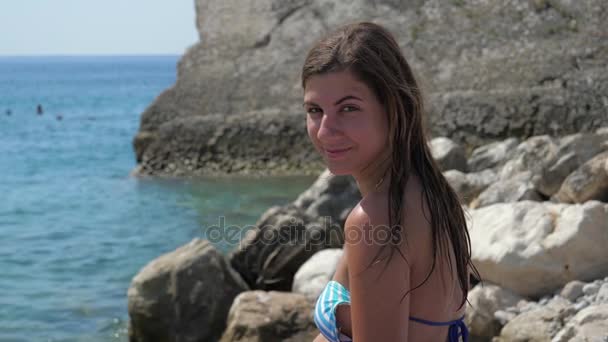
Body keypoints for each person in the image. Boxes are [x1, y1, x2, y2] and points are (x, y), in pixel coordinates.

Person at [301, 22, 479, 341]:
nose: (326, 130)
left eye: (349, 108)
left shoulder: (379, 218)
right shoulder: (430, 192)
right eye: (315, 110)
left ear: (394, 107)